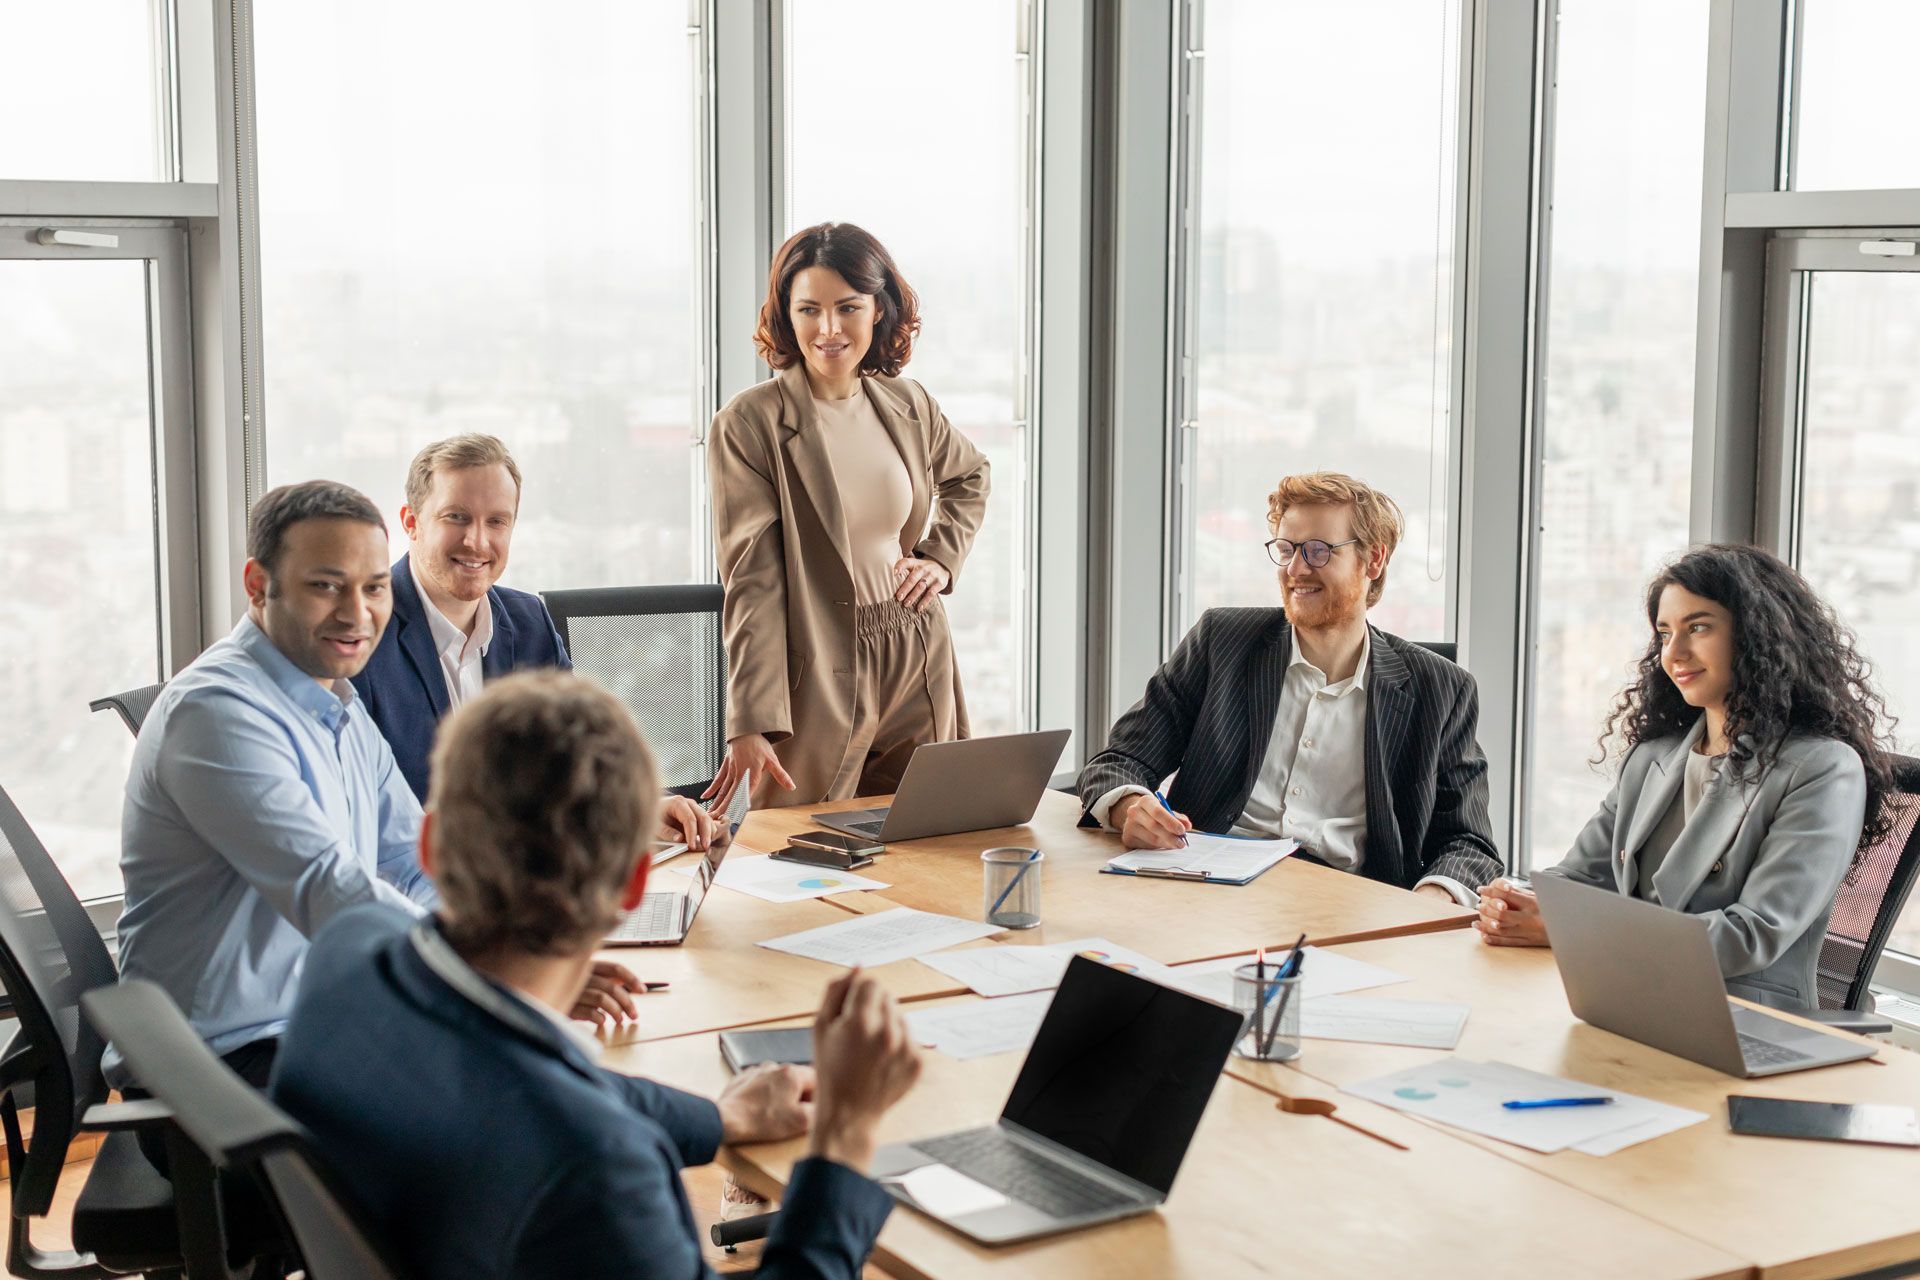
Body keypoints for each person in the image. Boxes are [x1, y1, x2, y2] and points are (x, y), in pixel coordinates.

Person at [272, 672, 922, 1280]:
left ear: (431, 844)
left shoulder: (347, 958)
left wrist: (716, 1120)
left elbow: (546, 1087)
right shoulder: (595, 1166)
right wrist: (843, 1139)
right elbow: (564, 1117)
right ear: (633, 886)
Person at [113, 482, 647, 1095]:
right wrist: (514, 979)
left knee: (545, 1071)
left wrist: (529, 959)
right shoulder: (215, 711)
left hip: (314, 1026)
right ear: (259, 585)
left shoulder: (334, 700)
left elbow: (409, 862)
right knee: (521, 1095)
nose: (356, 612)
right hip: (220, 1076)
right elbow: (333, 894)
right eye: (325, 585)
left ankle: (699, 1124)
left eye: (373, 587)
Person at [1476, 544, 1894, 1011]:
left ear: (1757, 635)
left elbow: (1751, 934)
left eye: (1698, 627)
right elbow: (1578, 878)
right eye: (1664, 633)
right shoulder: (1653, 758)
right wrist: (1517, 902)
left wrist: (1569, 927)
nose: (1674, 652)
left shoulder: (1821, 767)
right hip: (1624, 997)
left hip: (1742, 1016)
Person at [1077, 471, 1501, 902]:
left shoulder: (1442, 689)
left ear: (1373, 560)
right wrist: (1130, 806)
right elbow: (1120, 759)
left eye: (1318, 551)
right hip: (1202, 889)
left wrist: (1423, 906)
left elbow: (1469, 844)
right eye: (1286, 549)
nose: (1296, 570)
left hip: (1346, 905)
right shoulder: (1222, 641)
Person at [702, 222, 990, 812]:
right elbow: (753, 579)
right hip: (819, 664)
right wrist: (751, 718)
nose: (828, 329)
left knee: (932, 837)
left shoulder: (907, 403)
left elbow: (971, 475)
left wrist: (939, 558)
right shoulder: (749, 424)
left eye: (848, 308)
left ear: (878, 311)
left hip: (915, 642)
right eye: (808, 309)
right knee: (799, 853)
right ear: (787, 316)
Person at [352, 433, 716, 845]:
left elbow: (571, 760)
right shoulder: (361, 633)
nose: (477, 541)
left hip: (526, 877)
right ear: (411, 523)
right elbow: (353, 809)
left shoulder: (530, 623)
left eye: (496, 522)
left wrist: (642, 810)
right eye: (456, 517)